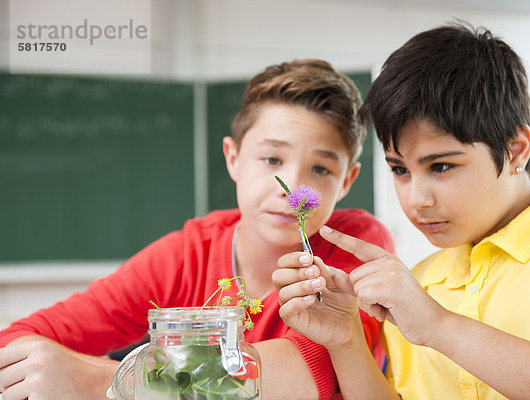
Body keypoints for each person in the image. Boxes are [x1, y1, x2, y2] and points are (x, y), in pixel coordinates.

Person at [0, 59, 395, 399]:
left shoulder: (353, 246)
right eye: (272, 159)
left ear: (347, 180)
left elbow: (306, 376)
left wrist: (100, 380)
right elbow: (18, 342)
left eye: (321, 169)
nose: (292, 186)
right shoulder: (187, 255)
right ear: (234, 158)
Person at [274, 24, 530, 400]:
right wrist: (346, 341)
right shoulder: (420, 284)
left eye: (441, 166)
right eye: (400, 170)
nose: (417, 199)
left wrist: (439, 326)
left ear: (516, 149)